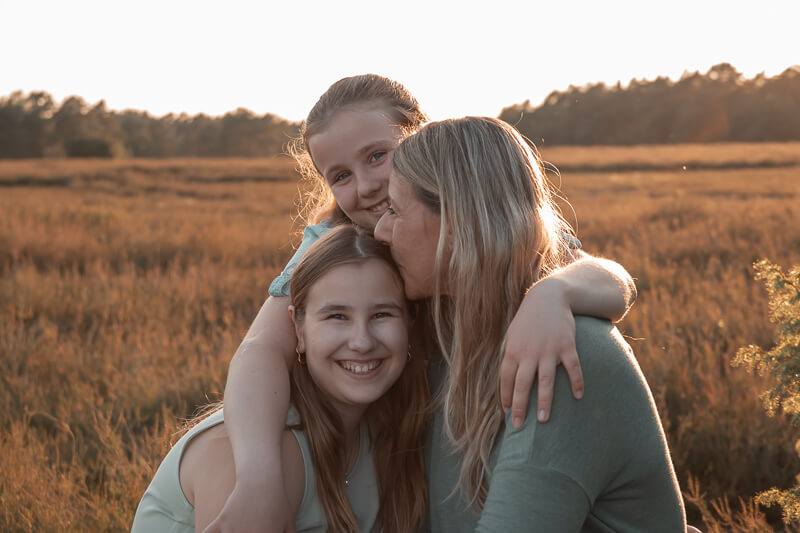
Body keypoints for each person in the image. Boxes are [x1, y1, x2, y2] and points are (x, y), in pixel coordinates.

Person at [208, 74, 638, 532]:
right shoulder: (336, 242)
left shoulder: (483, 224)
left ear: (421, 140)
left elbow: (609, 279)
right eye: (341, 176)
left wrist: (555, 292)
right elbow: (261, 349)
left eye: (377, 156)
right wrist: (259, 476)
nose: (367, 186)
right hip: (404, 427)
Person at [374, 116, 686, 531]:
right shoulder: (445, 337)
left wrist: (553, 292)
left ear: (456, 223)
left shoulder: (565, 355)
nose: (379, 231)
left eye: (394, 210)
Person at [132, 225, 429, 533]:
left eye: (381, 315)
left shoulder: (387, 434)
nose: (362, 342)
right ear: (298, 330)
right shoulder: (251, 459)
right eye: (337, 316)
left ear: (410, 323)